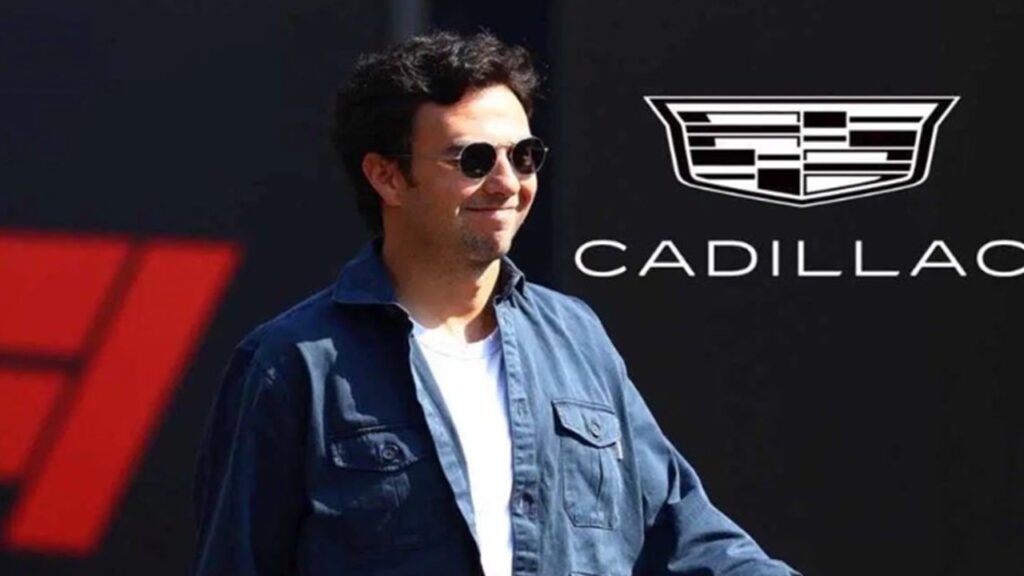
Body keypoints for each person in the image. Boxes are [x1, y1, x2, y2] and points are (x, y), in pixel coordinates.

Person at [190, 30, 799, 576]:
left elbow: (681, 532)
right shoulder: (291, 364)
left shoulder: (576, 336)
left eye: (524, 155)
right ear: (387, 177)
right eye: (474, 159)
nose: (508, 182)